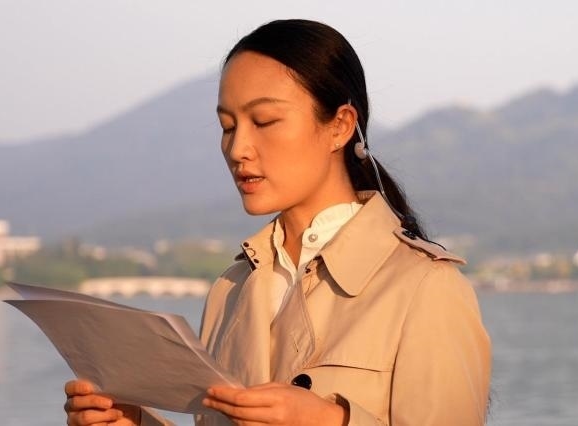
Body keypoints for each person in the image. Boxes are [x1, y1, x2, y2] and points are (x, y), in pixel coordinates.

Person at [63, 19, 491, 426]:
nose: (238, 148)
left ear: (341, 126)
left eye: (264, 121)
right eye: (227, 127)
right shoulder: (230, 289)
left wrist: (330, 420)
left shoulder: (426, 286)